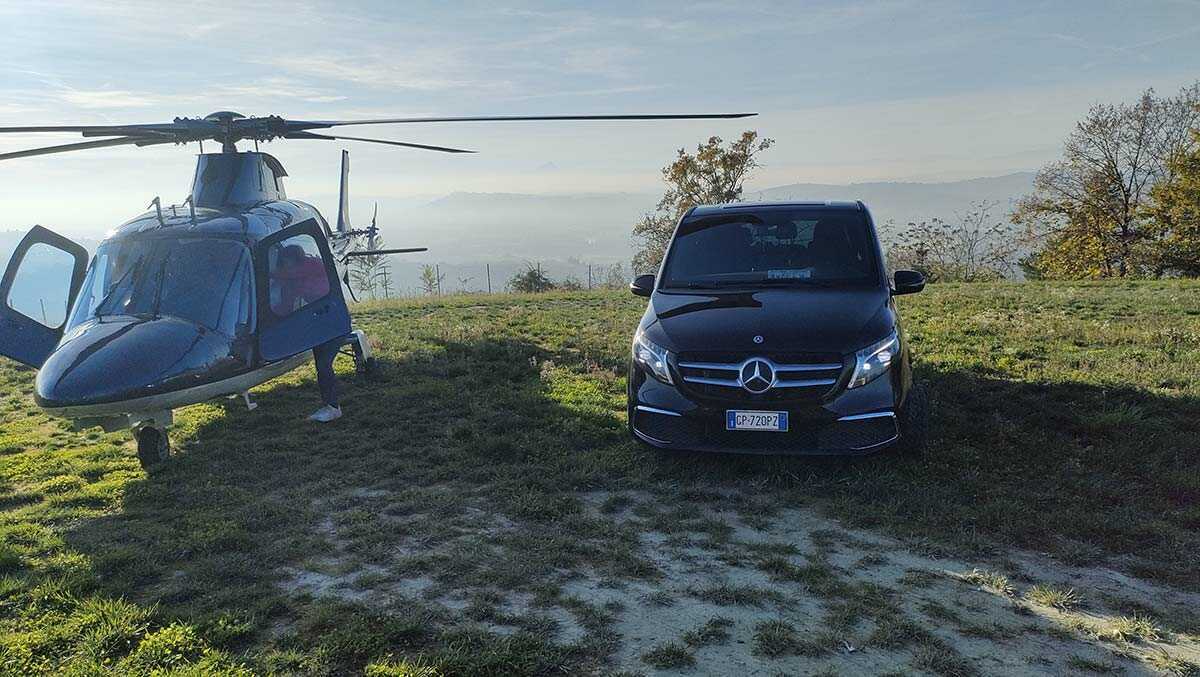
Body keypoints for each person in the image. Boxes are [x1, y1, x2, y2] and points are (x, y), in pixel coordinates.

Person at [271, 244, 343, 422]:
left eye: (288, 263)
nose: (286, 267)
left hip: (333, 319)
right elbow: (286, 305)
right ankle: (331, 405)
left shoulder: (312, 266)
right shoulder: (295, 279)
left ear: (297, 260)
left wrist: (267, 274)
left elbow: (292, 275)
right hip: (319, 322)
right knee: (322, 364)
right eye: (284, 263)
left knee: (324, 364)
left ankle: (333, 408)